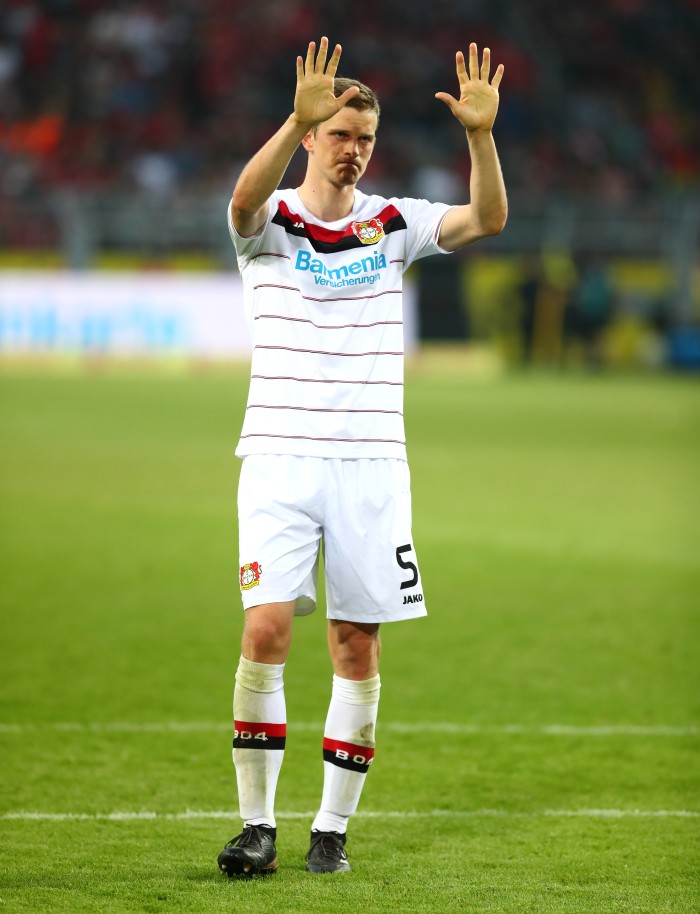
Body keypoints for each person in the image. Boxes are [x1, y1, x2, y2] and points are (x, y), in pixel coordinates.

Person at [218, 36, 507, 878]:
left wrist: (481, 137)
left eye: (365, 138)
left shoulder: (393, 223)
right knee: (265, 628)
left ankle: (331, 833)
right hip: (278, 456)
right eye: (340, 134)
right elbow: (241, 199)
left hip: (372, 464)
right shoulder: (271, 225)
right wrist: (290, 121)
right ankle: (256, 827)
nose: (353, 150)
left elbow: (487, 220)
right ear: (313, 136)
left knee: (356, 646)